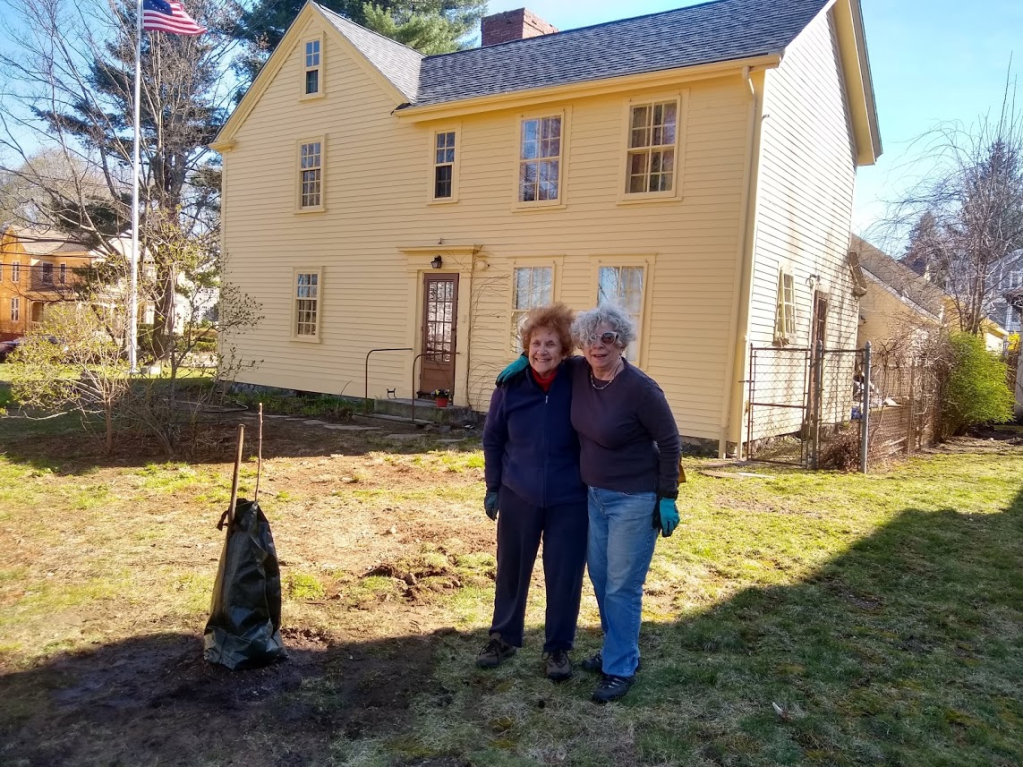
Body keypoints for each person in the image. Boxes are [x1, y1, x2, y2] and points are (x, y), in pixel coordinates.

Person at [497, 303, 681, 703]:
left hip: (634, 498)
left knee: (621, 586)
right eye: (591, 339)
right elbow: (547, 353)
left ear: (622, 342)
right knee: (601, 579)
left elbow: (669, 442)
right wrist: (520, 359)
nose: (599, 347)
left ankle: (620, 667)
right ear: (581, 346)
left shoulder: (640, 389)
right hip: (594, 496)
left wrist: (668, 496)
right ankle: (617, 650)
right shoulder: (580, 372)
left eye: (608, 338)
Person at [479, 303, 589, 682]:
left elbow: (601, 359)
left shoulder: (578, 378)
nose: (542, 351)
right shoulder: (509, 387)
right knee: (511, 568)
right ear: (525, 348)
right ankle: (503, 637)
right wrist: (493, 487)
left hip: (569, 498)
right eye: (535, 344)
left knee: (564, 573)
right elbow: (493, 439)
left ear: (565, 351)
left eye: (551, 344)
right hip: (518, 493)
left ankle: (558, 647)